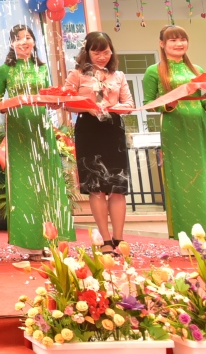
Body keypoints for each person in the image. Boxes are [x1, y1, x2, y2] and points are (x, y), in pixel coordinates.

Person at [0, 25, 74, 260]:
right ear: (11, 44)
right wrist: (7, 105)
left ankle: (50, 241)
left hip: (41, 128)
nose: (24, 41)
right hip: (18, 129)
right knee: (24, 183)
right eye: (18, 39)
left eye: (28, 37)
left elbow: (48, 96)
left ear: (34, 42)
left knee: (47, 181)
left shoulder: (42, 68)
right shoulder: (4, 70)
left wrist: (55, 102)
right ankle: (28, 245)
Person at [142, 25, 206, 240]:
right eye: (173, 40)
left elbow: (201, 102)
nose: (179, 44)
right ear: (162, 44)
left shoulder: (197, 68)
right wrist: (167, 105)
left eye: (182, 39)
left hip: (200, 127)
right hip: (175, 129)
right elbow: (148, 104)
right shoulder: (154, 71)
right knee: (182, 181)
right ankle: (186, 233)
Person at [64, 31, 134, 253]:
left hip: (113, 130)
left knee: (117, 187)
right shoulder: (76, 75)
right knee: (96, 187)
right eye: (96, 52)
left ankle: (119, 239)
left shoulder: (118, 75)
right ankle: (105, 240)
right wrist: (89, 107)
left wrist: (113, 108)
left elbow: (129, 104)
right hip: (88, 129)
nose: (102, 57)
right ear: (87, 52)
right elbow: (66, 103)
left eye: (106, 52)